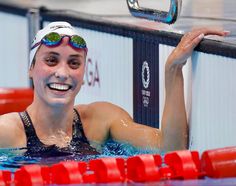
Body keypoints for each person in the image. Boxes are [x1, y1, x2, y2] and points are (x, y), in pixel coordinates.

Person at [0, 22, 228, 156]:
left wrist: (173, 69)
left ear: (82, 73)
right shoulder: (7, 132)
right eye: (51, 60)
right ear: (31, 68)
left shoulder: (102, 120)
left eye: (74, 63)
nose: (62, 73)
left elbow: (170, 150)